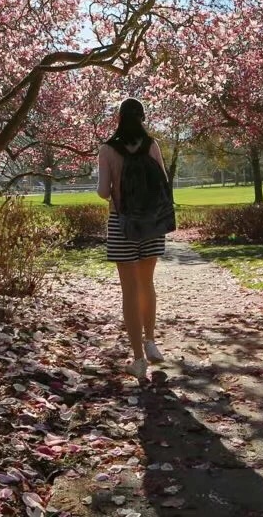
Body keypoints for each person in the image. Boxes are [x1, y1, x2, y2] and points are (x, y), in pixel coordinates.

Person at [96, 97, 175, 380]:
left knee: (128, 290)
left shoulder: (107, 149)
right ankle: (151, 341)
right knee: (147, 283)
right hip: (151, 224)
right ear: (142, 118)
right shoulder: (152, 145)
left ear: (118, 118)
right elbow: (163, 181)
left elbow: (104, 192)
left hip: (121, 224)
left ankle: (138, 359)